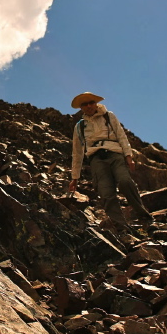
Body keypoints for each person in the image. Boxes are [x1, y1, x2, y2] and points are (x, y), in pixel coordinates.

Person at [68, 91, 153, 236]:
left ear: (96, 103)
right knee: (106, 193)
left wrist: (128, 156)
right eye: (85, 104)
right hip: (96, 160)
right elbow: (77, 153)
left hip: (115, 154)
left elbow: (121, 135)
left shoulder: (109, 116)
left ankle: (144, 216)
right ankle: (121, 227)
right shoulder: (79, 127)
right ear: (81, 108)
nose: (89, 106)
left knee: (125, 181)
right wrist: (75, 177)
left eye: (91, 102)